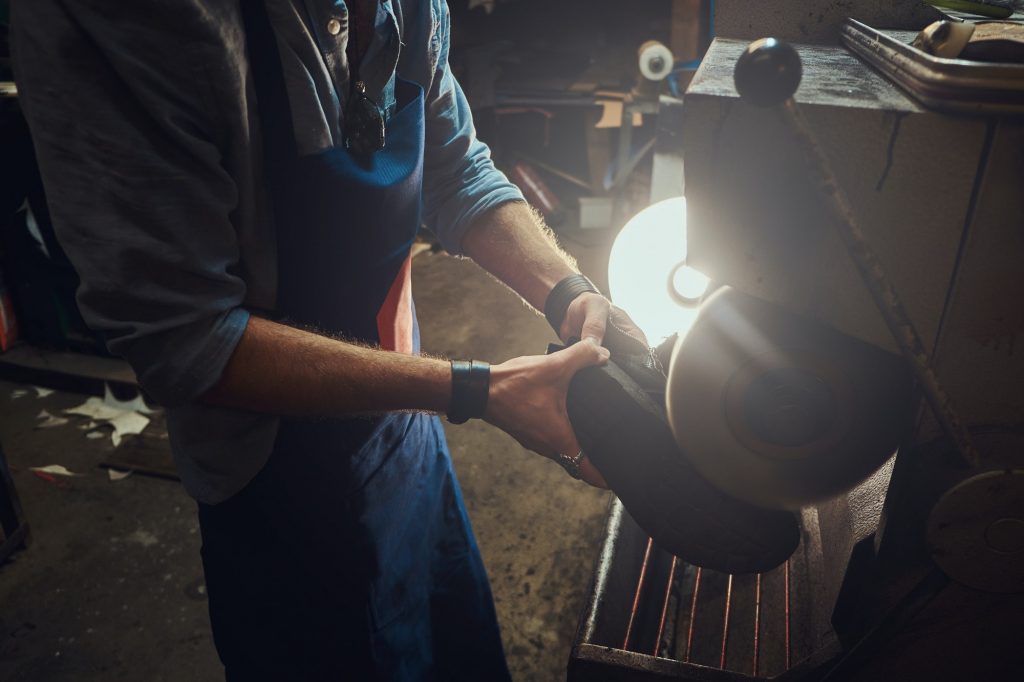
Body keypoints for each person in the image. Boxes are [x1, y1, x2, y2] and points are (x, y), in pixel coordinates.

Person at [11, 1, 644, 679]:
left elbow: (454, 168)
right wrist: (478, 391)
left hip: (411, 430)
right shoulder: (136, 23)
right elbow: (186, 339)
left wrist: (569, 291)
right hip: (276, 482)